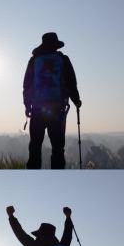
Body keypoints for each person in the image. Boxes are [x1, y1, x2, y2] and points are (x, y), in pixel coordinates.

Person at [23, 32, 82, 169]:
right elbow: (71, 83)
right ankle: (57, 182)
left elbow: (27, 85)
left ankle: (32, 180)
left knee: (35, 147)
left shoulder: (33, 61)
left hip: (37, 110)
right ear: (56, 46)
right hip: (57, 110)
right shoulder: (63, 60)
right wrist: (77, 101)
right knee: (57, 149)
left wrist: (27, 105)